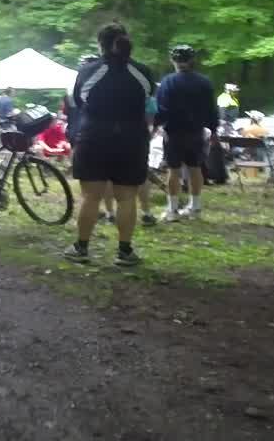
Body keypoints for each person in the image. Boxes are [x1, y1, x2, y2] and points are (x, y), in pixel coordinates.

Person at [63, 22, 153, 268]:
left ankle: (81, 247)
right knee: (127, 198)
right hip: (132, 139)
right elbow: (146, 100)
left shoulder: (88, 72)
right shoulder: (143, 72)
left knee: (91, 196)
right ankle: (125, 252)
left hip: (94, 137)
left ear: (100, 44)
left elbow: (80, 102)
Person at [154, 44, 218, 220]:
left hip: (173, 132)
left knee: (173, 170)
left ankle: (172, 210)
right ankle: (195, 207)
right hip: (196, 131)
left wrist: (157, 126)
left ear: (173, 60)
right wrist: (213, 130)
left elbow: (161, 108)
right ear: (192, 60)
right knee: (195, 168)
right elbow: (211, 109)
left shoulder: (167, 82)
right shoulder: (204, 82)